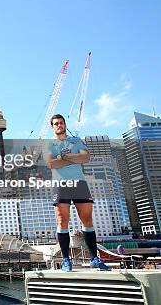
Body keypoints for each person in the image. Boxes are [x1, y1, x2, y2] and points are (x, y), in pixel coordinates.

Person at [44, 114, 110, 271]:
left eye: (61, 123)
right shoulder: (49, 144)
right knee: (62, 220)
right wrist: (75, 158)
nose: (59, 125)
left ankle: (95, 258)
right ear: (52, 127)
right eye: (55, 124)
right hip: (60, 184)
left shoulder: (76, 141)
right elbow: (51, 164)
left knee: (86, 219)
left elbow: (86, 157)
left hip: (79, 183)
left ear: (65, 124)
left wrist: (63, 157)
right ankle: (66, 260)